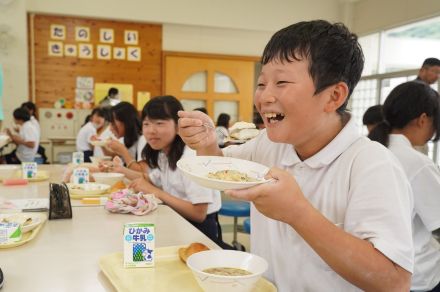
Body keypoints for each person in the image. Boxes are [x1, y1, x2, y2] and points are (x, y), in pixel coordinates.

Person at [178, 20, 413, 291]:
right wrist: (206, 143)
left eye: (281, 82)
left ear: (333, 96)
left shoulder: (372, 165)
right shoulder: (269, 143)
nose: (264, 96)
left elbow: (395, 282)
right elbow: (220, 168)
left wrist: (297, 213)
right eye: (262, 82)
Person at [113, 96, 225, 246]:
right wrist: (119, 169)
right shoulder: (165, 152)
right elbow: (150, 179)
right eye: (146, 124)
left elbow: (199, 213)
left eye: (159, 123)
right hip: (177, 220)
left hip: (199, 230)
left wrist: (155, 191)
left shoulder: (192, 156)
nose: (151, 131)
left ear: (178, 126)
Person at [368, 81, 440, 292]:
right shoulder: (418, 164)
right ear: (423, 119)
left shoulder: (368, 150)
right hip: (418, 275)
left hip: (373, 270)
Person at [104, 101, 145, 171]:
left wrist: (123, 151)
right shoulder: (127, 138)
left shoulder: (143, 139)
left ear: (126, 121)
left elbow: (141, 172)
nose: (110, 128)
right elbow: (115, 156)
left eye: (113, 123)